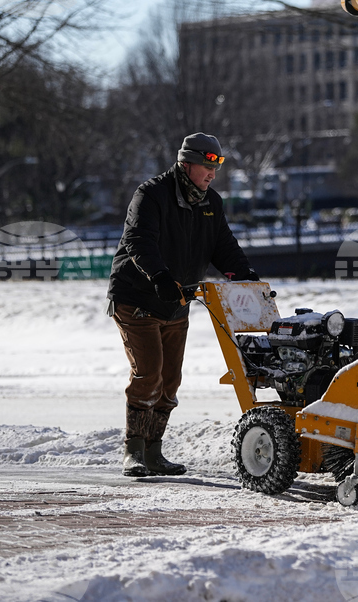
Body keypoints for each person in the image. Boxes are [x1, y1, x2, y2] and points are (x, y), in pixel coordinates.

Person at [108, 132, 258, 477]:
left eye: (216, 167)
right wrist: (158, 276)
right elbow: (138, 241)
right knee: (150, 373)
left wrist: (245, 274)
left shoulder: (211, 203)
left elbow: (224, 246)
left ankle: (154, 451)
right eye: (206, 166)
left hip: (177, 301)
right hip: (138, 298)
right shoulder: (151, 195)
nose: (211, 174)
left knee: (171, 380)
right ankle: (134, 452)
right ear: (185, 163)